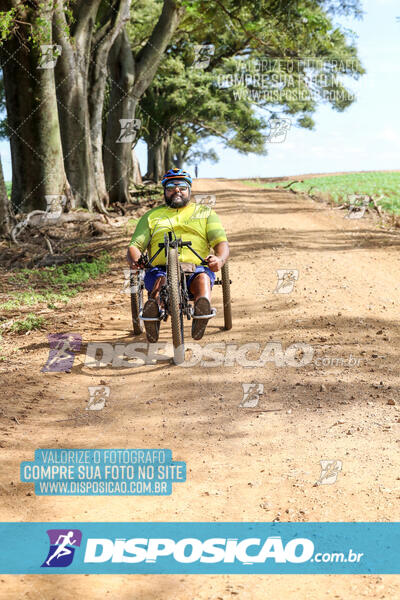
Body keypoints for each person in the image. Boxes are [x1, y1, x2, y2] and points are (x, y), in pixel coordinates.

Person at [127, 168, 229, 342]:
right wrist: (135, 260)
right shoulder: (151, 216)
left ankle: (201, 310)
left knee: (202, 279)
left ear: (189, 190)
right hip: (160, 269)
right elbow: (135, 245)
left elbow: (221, 243)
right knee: (161, 282)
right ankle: (153, 312)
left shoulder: (205, 213)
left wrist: (219, 259)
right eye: (171, 187)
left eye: (182, 187)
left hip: (196, 268)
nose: (177, 191)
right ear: (164, 191)